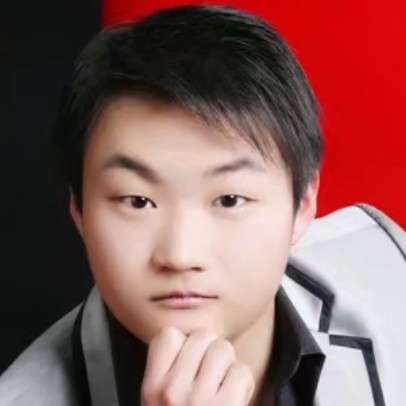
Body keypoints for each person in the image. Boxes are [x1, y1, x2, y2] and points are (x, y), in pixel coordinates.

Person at [1, 4, 400, 406]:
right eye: (138, 201)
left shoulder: (392, 274)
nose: (181, 256)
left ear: (304, 204)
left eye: (230, 199)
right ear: (79, 210)